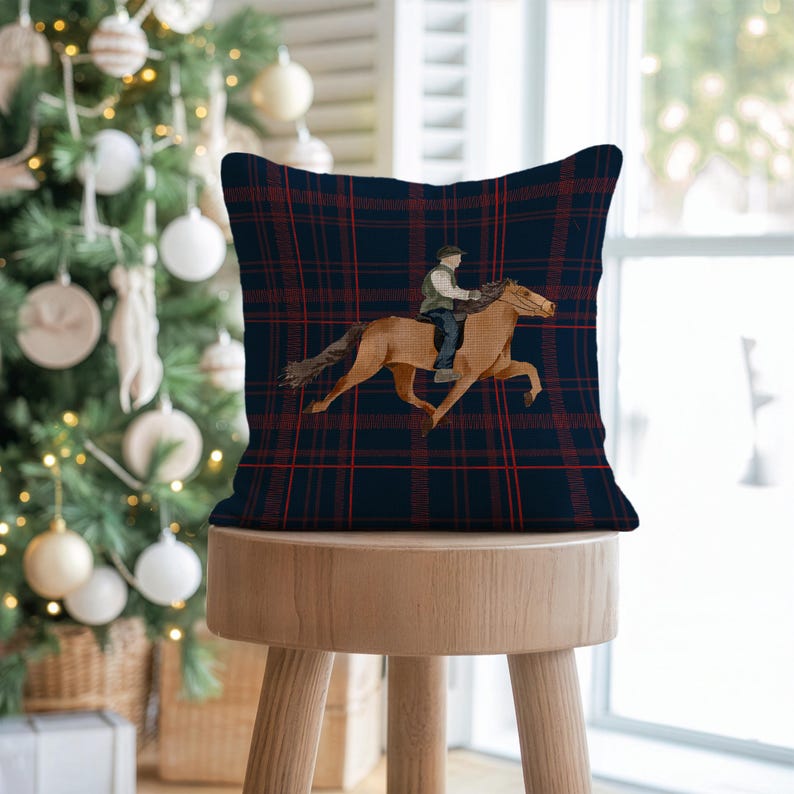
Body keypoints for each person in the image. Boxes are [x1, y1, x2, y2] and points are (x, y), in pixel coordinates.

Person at [419, 245, 482, 383]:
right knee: (452, 330)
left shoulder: (447, 272)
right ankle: (443, 371)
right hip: (435, 309)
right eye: (458, 257)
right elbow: (448, 291)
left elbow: (455, 289)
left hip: (443, 308)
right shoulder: (439, 273)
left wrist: (471, 295)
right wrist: (469, 294)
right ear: (449, 258)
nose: (460, 260)